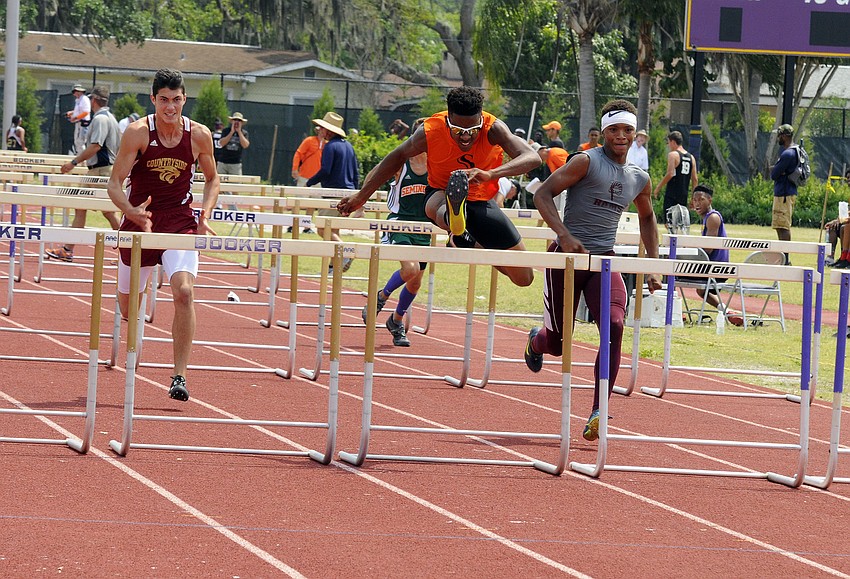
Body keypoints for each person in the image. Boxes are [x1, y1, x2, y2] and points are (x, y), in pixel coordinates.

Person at [523, 99, 661, 442]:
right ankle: (535, 342)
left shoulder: (639, 177)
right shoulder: (585, 161)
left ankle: (599, 409)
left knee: (615, 325)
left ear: (635, 134)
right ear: (603, 132)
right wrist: (564, 235)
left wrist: (654, 265)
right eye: (614, 129)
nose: (621, 136)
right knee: (558, 344)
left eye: (628, 130)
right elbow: (543, 194)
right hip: (567, 259)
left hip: (604, 259)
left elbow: (647, 217)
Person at [336, 86, 540, 288]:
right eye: (458, 130)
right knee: (436, 203)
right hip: (440, 193)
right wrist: (362, 197)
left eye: (472, 130)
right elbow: (396, 157)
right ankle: (454, 217)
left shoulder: (493, 128)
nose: (466, 137)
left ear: (480, 119)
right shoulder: (430, 130)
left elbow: (532, 157)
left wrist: (490, 174)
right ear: (448, 118)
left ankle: (467, 240)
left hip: (480, 201)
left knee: (524, 278)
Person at [105, 68, 220, 403]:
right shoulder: (137, 133)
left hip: (180, 223)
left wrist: (205, 214)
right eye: (164, 100)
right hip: (139, 224)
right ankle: (129, 301)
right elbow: (114, 184)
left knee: (184, 292)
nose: (171, 107)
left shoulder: (198, 135)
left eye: (177, 99)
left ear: (185, 99)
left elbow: (213, 178)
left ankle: (179, 375)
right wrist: (130, 211)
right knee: (129, 309)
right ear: (154, 99)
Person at [361, 118, 430, 347]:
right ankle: (381, 296)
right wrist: (360, 200)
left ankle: (396, 321)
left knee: (416, 282)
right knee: (410, 268)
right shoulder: (402, 161)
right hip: (400, 223)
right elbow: (375, 173)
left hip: (425, 226)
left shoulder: (437, 162)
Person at [46, 86, 122, 262]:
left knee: (109, 212)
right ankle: (67, 250)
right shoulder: (110, 118)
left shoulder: (101, 119)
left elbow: (96, 145)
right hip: (98, 170)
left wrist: (73, 162)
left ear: (94, 100)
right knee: (81, 206)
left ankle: (128, 251)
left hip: (101, 171)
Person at [681, 185, 744, 326]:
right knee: (701, 291)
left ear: (709, 200)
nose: (697, 203)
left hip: (716, 269)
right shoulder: (706, 219)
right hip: (710, 267)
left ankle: (674, 312)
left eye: (701, 200)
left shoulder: (713, 218)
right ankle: (727, 311)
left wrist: (688, 249)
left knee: (670, 273)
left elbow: (708, 249)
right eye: (694, 200)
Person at [306, 111, 360, 271]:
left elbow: (325, 170)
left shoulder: (330, 147)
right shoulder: (349, 147)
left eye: (322, 128)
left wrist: (310, 182)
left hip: (333, 193)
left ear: (329, 131)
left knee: (322, 228)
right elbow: (356, 173)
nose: (319, 131)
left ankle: (346, 251)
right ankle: (332, 265)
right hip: (349, 192)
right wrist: (356, 194)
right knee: (333, 229)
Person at [653, 130, 698, 214]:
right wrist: (693, 197)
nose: (669, 145)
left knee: (669, 221)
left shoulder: (673, 155)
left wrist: (658, 187)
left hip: (672, 193)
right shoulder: (691, 157)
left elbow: (670, 174)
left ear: (673, 142)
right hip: (683, 194)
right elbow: (695, 179)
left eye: (669, 142)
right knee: (680, 220)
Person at [770, 124, 799, 245]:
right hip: (785, 193)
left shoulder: (788, 154)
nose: (778, 138)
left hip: (784, 195)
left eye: (780, 135)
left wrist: (775, 169)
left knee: (783, 227)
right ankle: (783, 256)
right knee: (779, 225)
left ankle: (786, 258)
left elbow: (774, 174)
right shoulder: (794, 151)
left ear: (786, 136)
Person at [217, 112, 250, 176]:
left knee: (236, 185)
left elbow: (245, 145)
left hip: (236, 164)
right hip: (223, 162)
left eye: (239, 120)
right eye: (235, 120)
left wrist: (239, 132)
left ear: (242, 123)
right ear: (232, 121)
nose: (237, 122)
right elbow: (221, 143)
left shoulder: (244, 133)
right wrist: (231, 132)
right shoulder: (225, 131)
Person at [66, 84, 91, 155]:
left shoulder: (84, 99)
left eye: (75, 91)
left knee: (80, 141)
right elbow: (79, 111)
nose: (74, 94)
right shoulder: (78, 100)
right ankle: (79, 155)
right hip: (78, 123)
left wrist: (75, 118)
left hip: (83, 123)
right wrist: (71, 113)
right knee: (76, 141)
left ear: (79, 92)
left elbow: (86, 112)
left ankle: (83, 157)